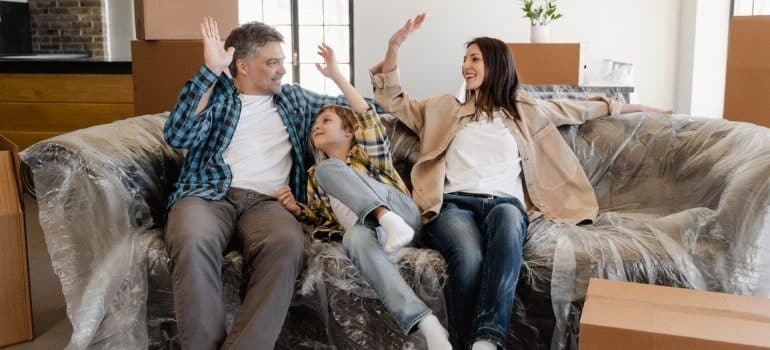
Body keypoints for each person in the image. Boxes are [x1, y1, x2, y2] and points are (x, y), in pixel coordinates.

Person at [370, 14, 670, 350]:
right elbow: (391, 97)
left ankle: (486, 340)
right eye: (464, 60)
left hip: (504, 204)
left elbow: (582, 109)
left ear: (496, 65)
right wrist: (394, 45)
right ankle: (467, 342)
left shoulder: (525, 110)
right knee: (469, 258)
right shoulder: (441, 108)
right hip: (454, 204)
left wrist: (638, 108)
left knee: (509, 223)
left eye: (474, 59)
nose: (465, 66)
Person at [162, 17, 364, 350]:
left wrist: (340, 76)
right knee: (191, 237)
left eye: (282, 61)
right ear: (242, 66)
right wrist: (210, 72)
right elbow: (176, 134)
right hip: (207, 195)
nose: (282, 70)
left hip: (269, 202)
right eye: (273, 62)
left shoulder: (294, 100)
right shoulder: (216, 97)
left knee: (287, 244)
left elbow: (366, 113)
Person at [276, 43, 453, 350]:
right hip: (369, 231)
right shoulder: (317, 175)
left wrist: (336, 76)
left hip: (403, 216)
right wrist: (297, 209)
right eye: (315, 124)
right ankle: (425, 322)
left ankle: (387, 217)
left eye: (327, 121)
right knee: (353, 239)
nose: (317, 125)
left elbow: (367, 116)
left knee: (329, 170)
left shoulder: (370, 155)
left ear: (348, 132)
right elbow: (323, 217)